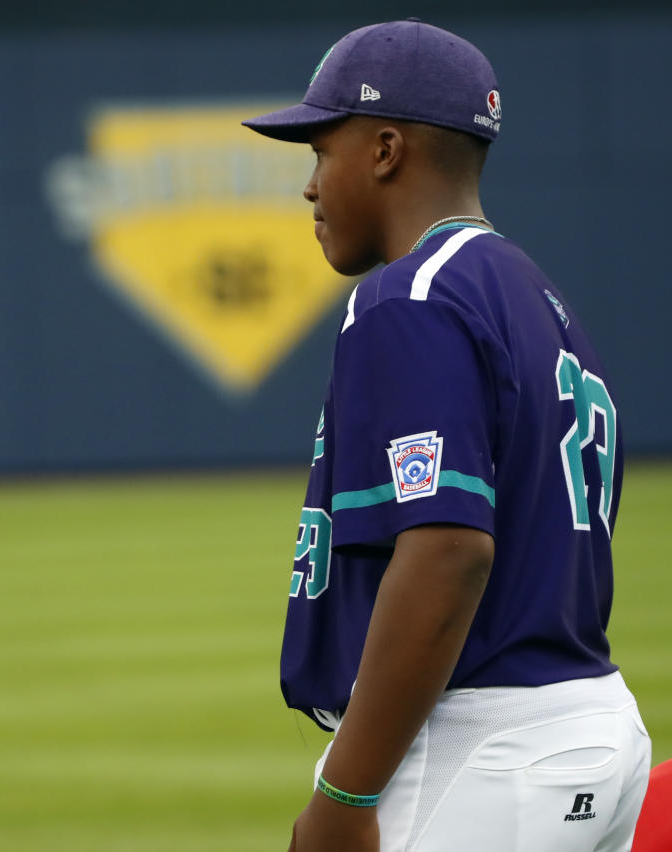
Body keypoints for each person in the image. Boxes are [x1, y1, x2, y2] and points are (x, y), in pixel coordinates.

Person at [242, 20, 650, 852]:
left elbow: (448, 552)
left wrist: (344, 797)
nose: (310, 186)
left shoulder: (411, 295)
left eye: (320, 151)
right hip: (592, 726)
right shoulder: (537, 298)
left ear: (385, 150)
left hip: (483, 749)